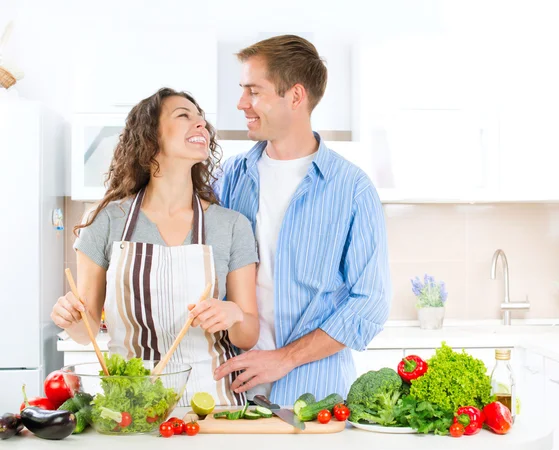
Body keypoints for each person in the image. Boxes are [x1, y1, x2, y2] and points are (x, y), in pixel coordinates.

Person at [51, 88, 259, 406]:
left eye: (201, 118)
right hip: (131, 404)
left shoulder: (232, 225)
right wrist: (72, 318)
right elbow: (87, 330)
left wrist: (233, 314)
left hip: (212, 404)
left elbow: (248, 333)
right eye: (183, 115)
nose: (201, 123)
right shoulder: (104, 220)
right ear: (151, 137)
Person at [213, 35, 391, 405]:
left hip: (315, 399)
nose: (241, 103)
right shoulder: (230, 177)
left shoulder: (352, 189)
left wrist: (283, 359)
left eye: (254, 91)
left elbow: (369, 304)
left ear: (295, 97)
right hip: (231, 395)